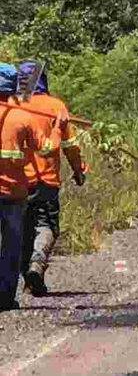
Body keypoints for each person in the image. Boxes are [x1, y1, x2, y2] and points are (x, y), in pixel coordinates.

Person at [17, 60, 86, 297]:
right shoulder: (56, 106)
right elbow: (70, 145)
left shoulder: (13, 106)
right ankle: (36, 266)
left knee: (24, 229)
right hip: (47, 181)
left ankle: (28, 278)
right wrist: (78, 170)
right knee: (46, 226)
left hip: (18, 182)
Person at [0, 63, 37, 311]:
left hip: (12, 192)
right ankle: (4, 298)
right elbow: (41, 146)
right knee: (11, 246)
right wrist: (59, 124)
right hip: (13, 192)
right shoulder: (23, 117)